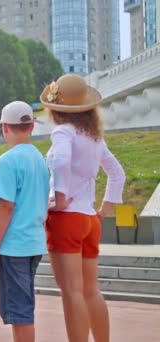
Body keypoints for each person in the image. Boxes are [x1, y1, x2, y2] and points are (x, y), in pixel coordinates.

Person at [41, 74, 125, 342]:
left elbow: (62, 159)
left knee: (72, 292)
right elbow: (117, 173)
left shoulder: (63, 132)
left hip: (67, 219)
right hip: (90, 219)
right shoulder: (95, 138)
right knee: (91, 291)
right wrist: (106, 208)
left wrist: (61, 197)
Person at [0, 101, 50, 342]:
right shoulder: (40, 159)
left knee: (20, 313)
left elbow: (5, 206)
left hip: (14, 246)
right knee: (22, 310)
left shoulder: (7, 160)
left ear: (4, 129)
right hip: (34, 242)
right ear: (31, 126)